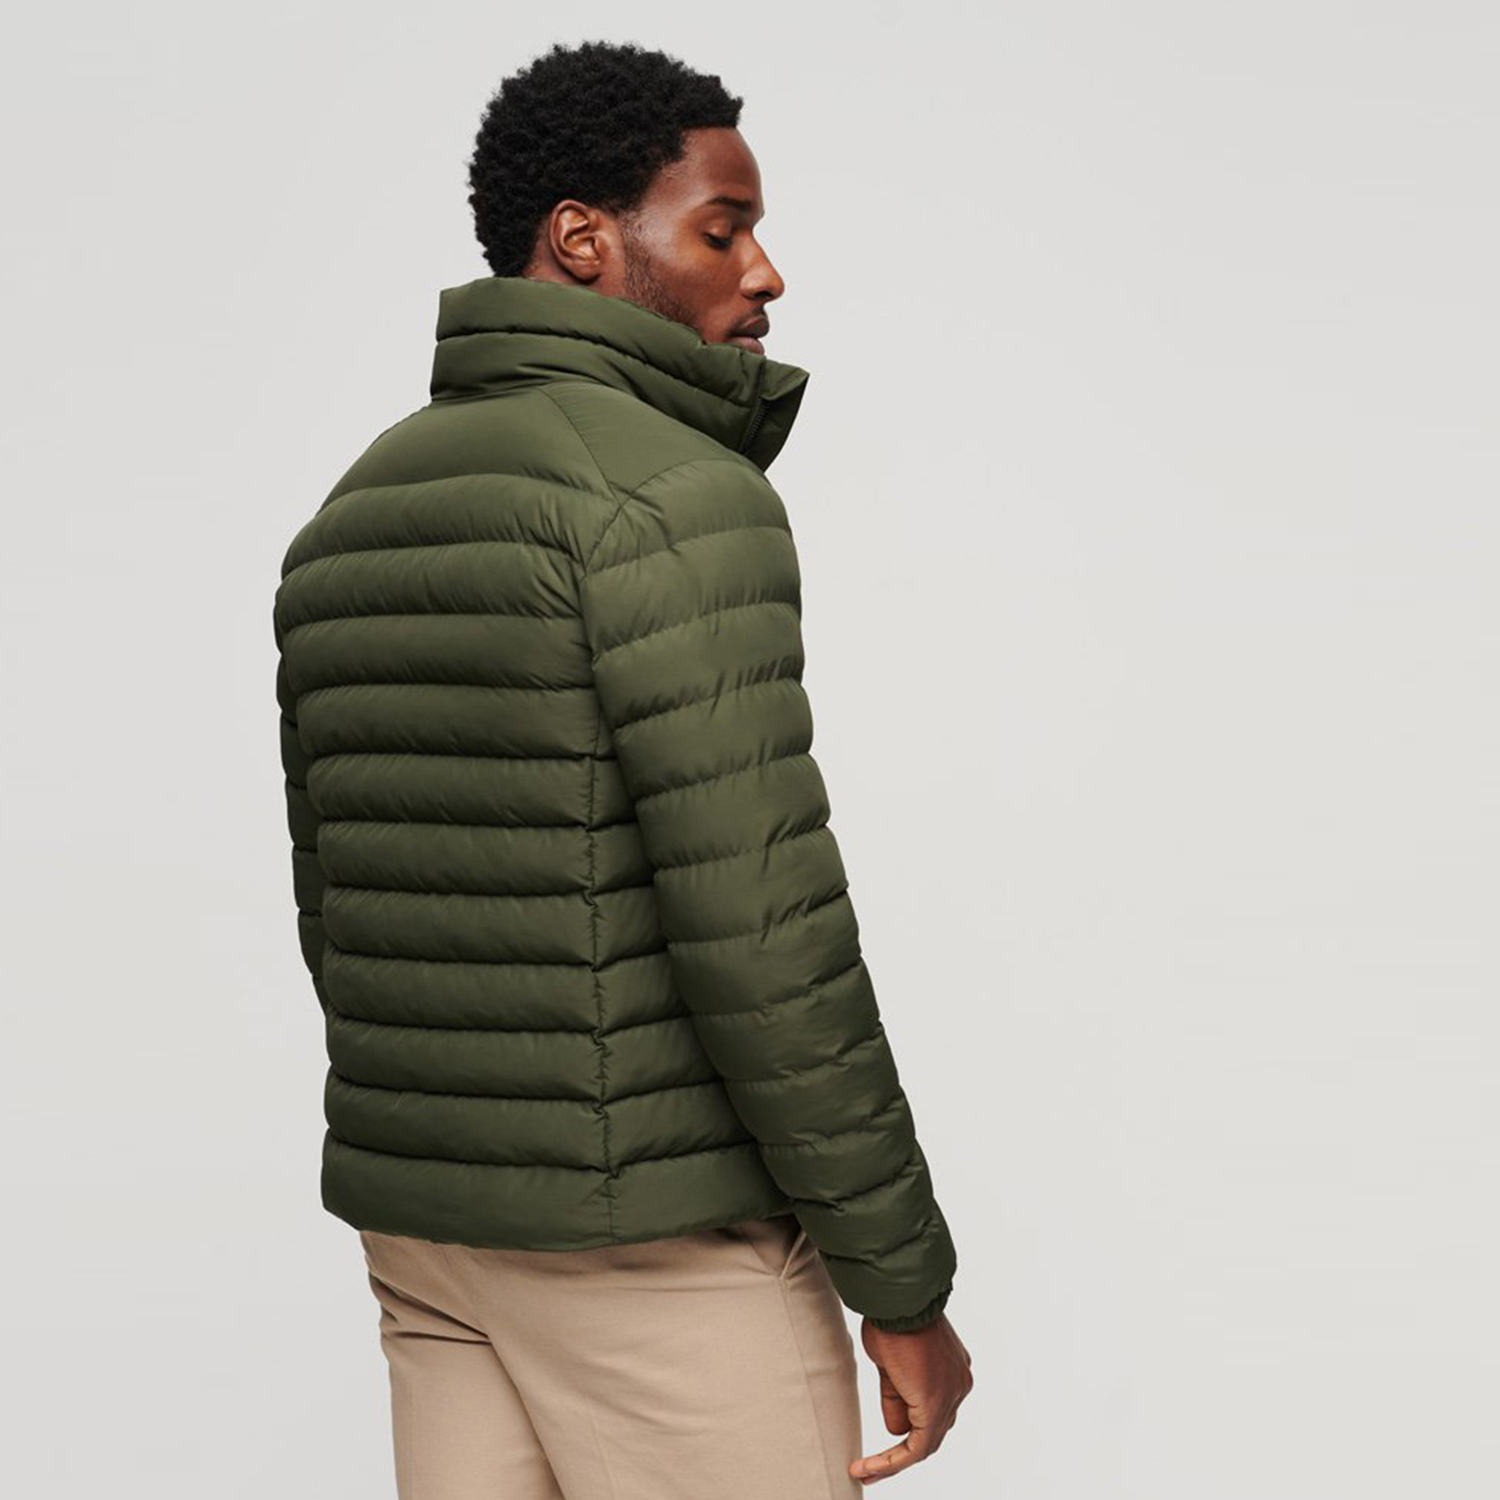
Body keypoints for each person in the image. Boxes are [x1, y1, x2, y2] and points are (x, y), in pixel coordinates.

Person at [273, 38, 971, 1499]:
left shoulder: (351, 513)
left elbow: (339, 908)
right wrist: (900, 1276)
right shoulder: (672, 498)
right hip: (655, 1259)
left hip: (435, 1242)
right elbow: (762, 931)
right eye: (723, 229)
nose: (765, 273)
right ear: (583, 240)